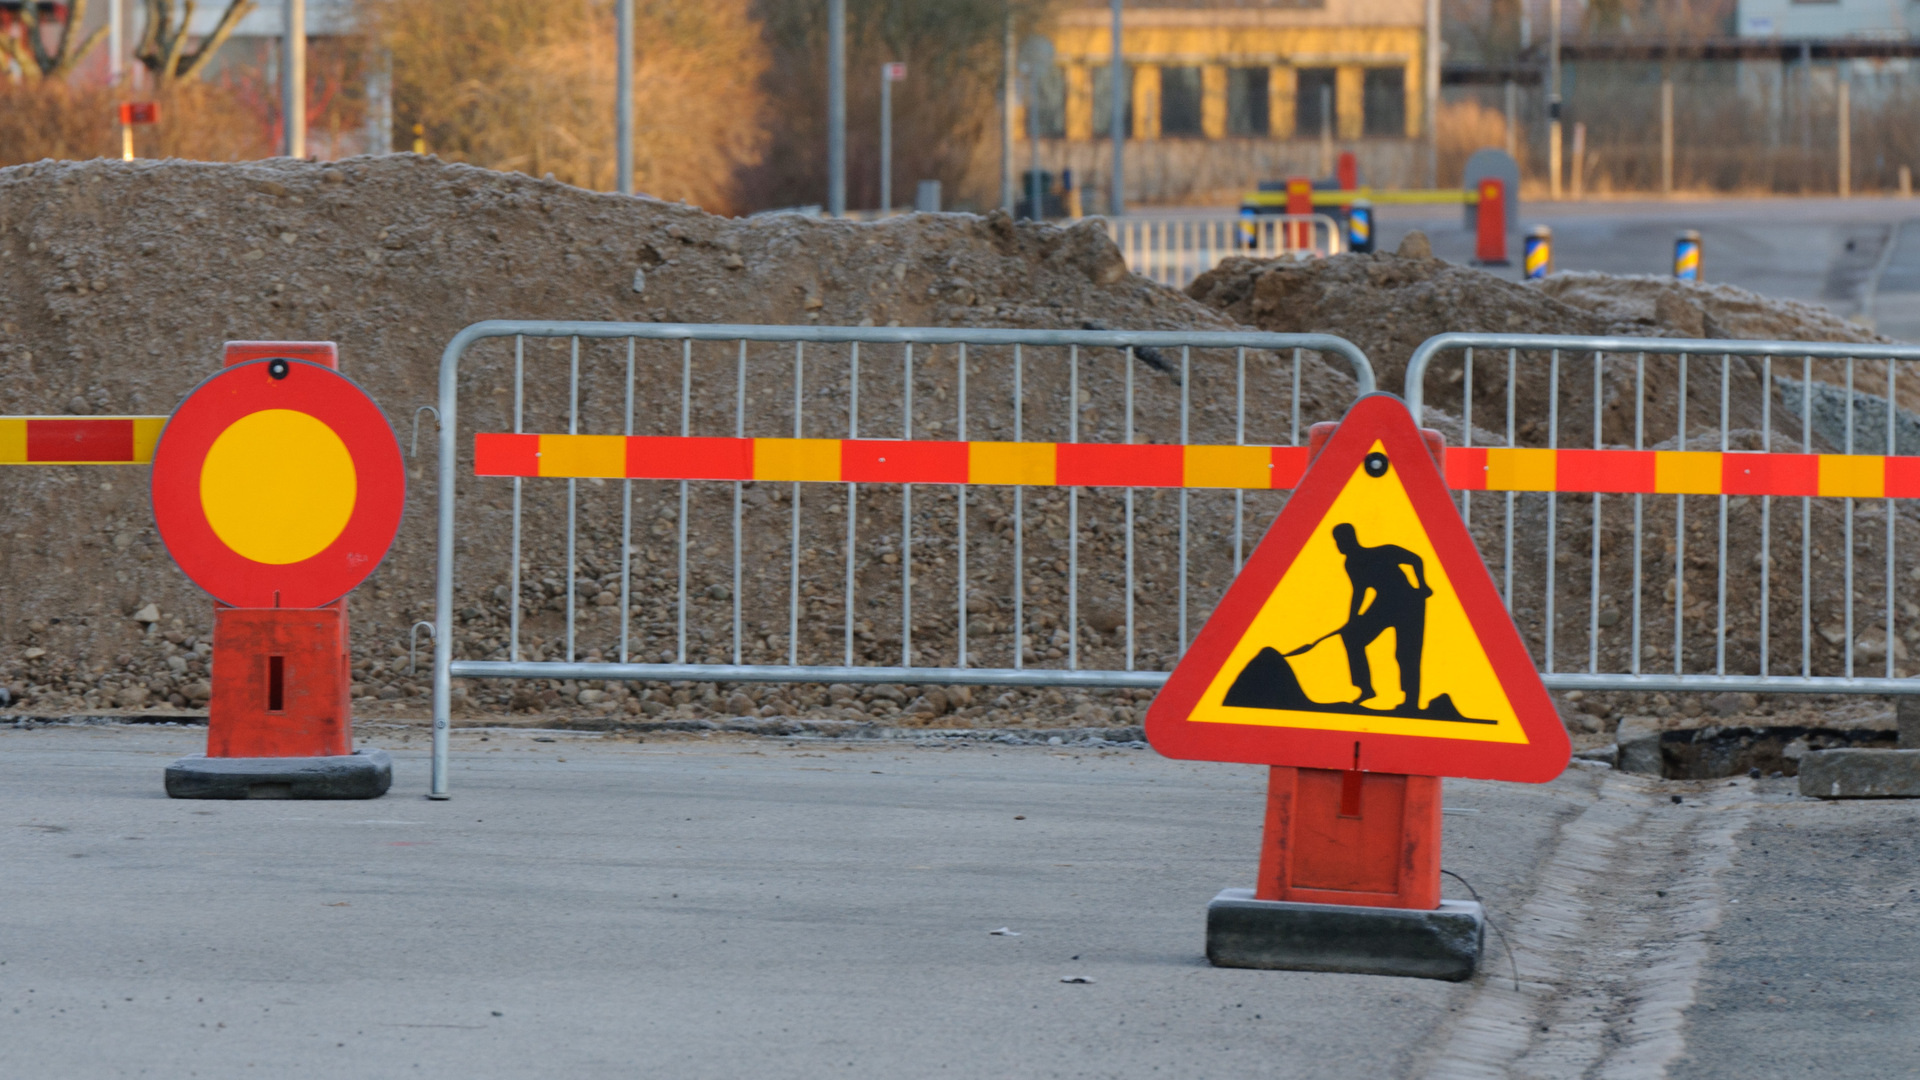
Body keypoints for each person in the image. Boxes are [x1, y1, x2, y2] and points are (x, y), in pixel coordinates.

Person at [1331, 523, 1431, 709]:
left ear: (1350, 539)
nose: (1338, 545)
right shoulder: (1351, 563)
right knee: (1352, 638)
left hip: (1408, 602)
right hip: (1384, 604)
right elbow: (1359, 591)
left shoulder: (1384, 552)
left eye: (1340, 540)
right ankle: (1365, 688)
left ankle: (1411, 702)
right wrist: (1352, 620)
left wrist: (1422, 585)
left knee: (1406, 653)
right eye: (1336, 541)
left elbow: (1416, 559)